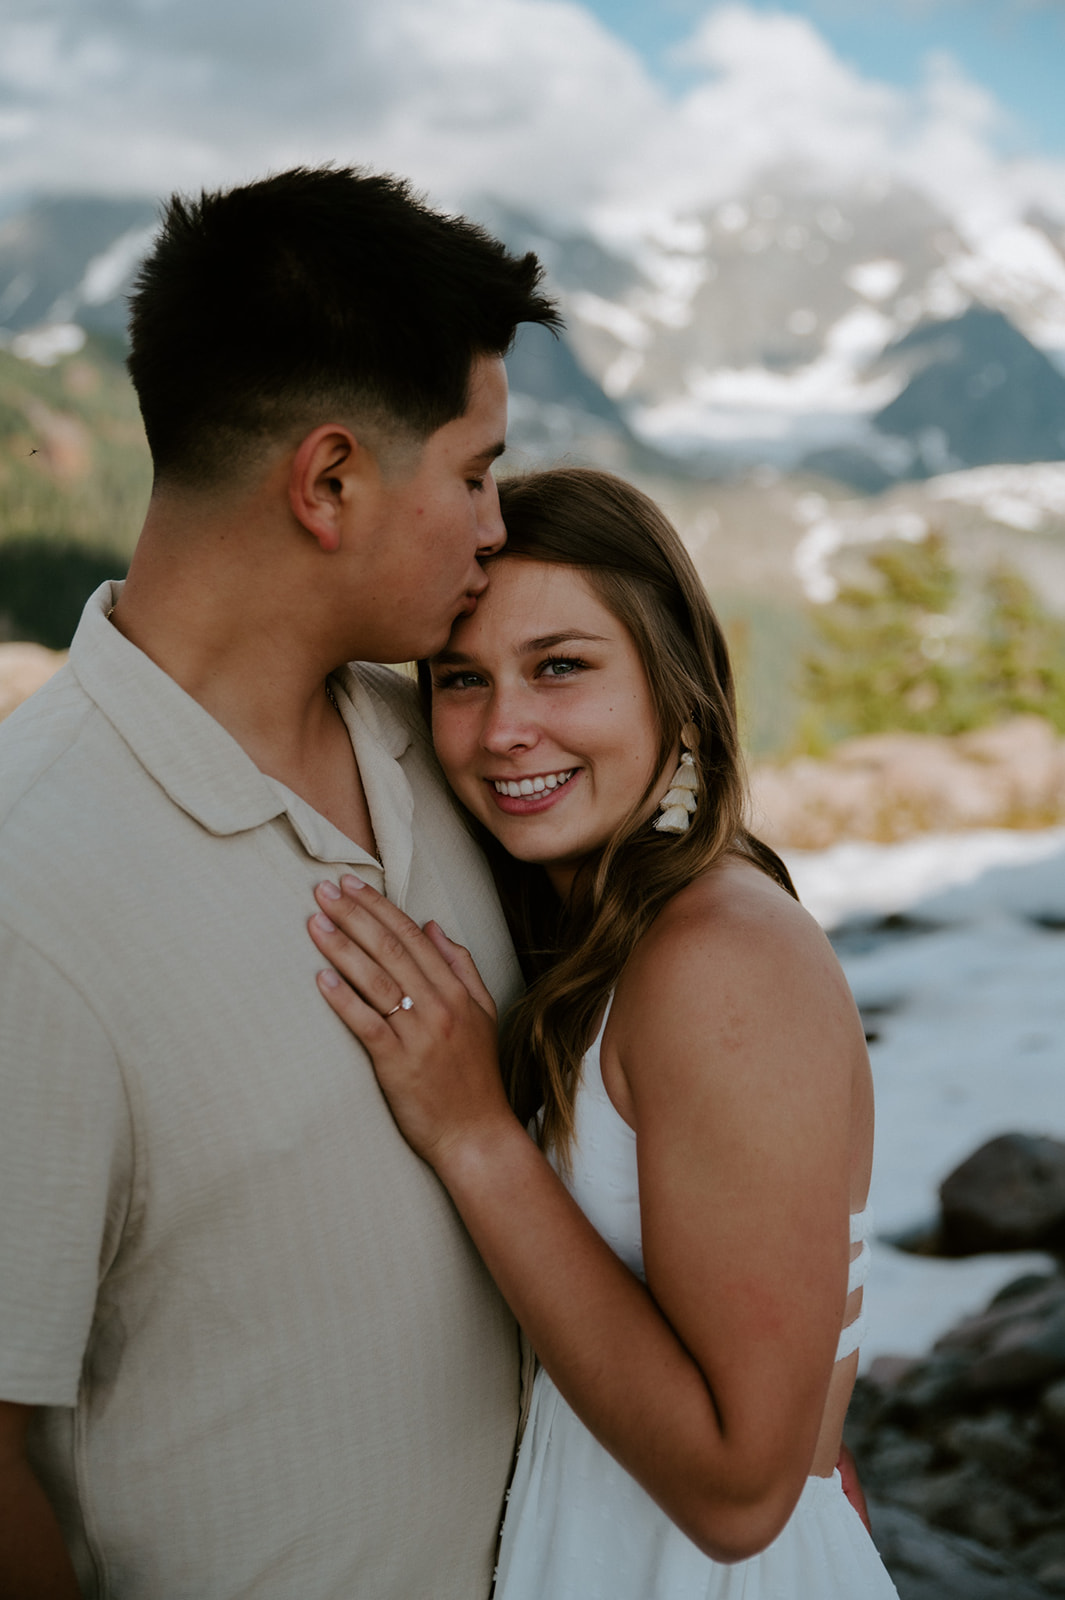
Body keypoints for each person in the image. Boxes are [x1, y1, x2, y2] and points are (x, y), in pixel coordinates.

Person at [0, 166, 560, 1598]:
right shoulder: (31, 887)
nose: (497, 528)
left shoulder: (460, 744)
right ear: (328, 482)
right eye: (476, 472)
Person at [306, 467, 900, 1597]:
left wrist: (476, 1132)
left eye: (561, 666)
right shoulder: (616, 941)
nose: (502, 730)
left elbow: (739, 1493)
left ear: (675, 691)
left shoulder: (719, 954)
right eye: (460, 678)